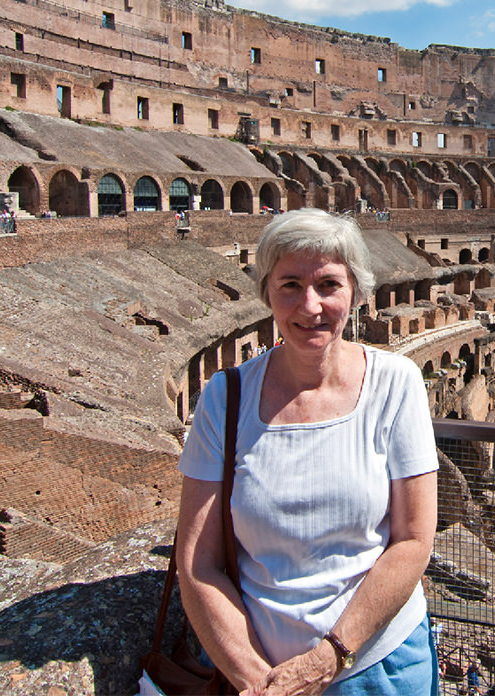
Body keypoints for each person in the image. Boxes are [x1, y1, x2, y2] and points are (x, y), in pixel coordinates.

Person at [176, 208, 440, 695]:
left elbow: (413, 541)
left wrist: (329, 657)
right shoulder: (224, 396)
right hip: (256, 674)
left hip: (377, 665)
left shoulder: (397, 383)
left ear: (355, 293)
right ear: (267, 293)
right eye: (291, 284)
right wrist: (257, 682)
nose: (310, 305)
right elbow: (197, 560)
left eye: (329, 285)